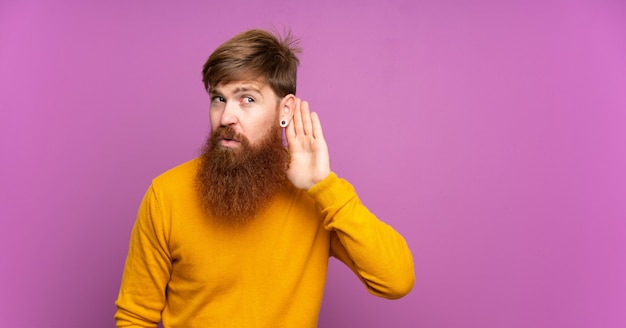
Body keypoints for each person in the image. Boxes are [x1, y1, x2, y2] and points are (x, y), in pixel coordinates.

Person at [114, 29, 414, 328]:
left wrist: (324, 186)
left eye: (246, 99)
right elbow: (134, 317)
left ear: (285, 109)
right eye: (219, 98)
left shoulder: (318, 196)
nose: (226, 116)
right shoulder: (166, 194)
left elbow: (396, 280)